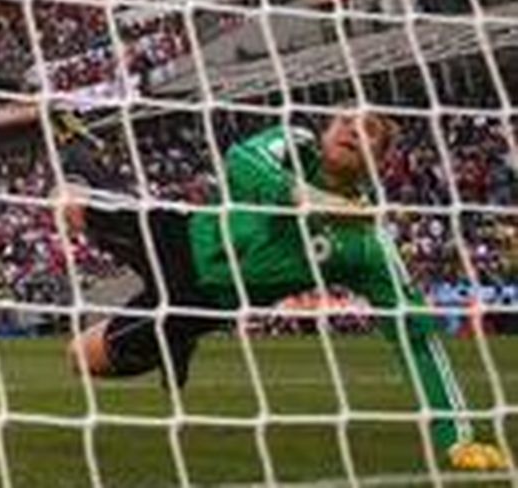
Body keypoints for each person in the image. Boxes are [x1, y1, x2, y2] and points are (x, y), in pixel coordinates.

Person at [57, 109, 509, 472]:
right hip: (180, 234)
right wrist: (300, 197)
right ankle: (78, 149)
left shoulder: (369, 246)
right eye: (345, 121)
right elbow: (240, 160)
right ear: (326, 128)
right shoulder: (293, 143)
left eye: (369, 130)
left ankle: (177, 342)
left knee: (81, 358)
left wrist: (459, 438)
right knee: (68, 203)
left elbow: (417, 336)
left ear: (381, 159)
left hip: (201, 303)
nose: (353, 130)